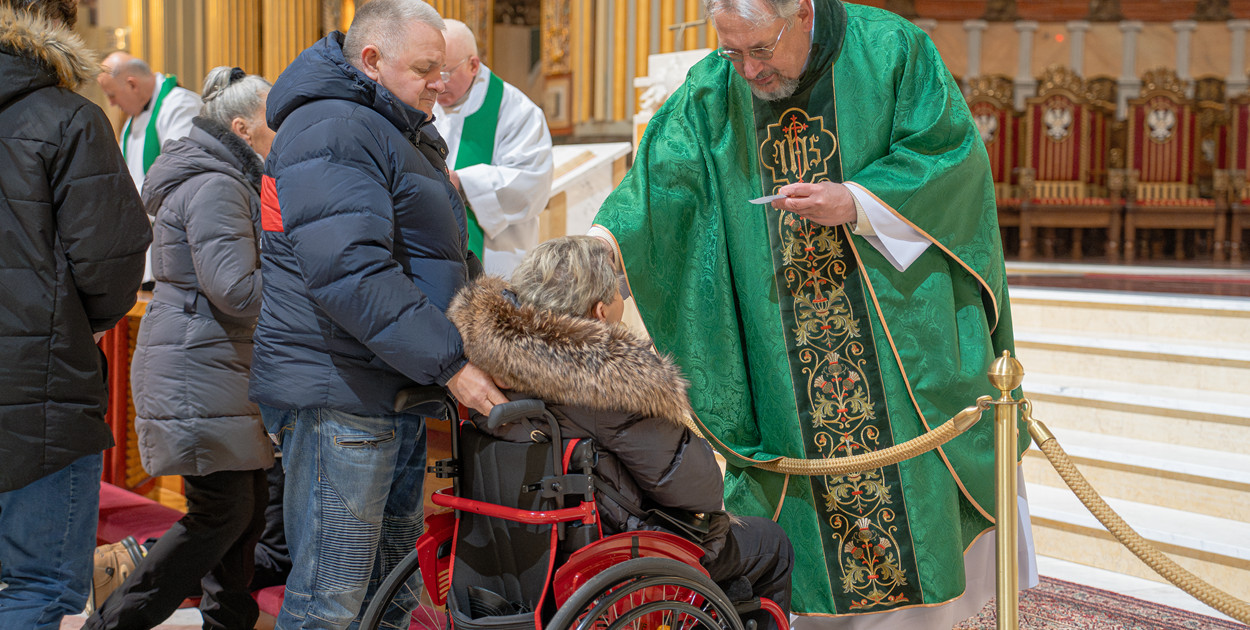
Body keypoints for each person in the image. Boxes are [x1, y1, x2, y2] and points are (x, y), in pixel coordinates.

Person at [591, 0, 1036, 627]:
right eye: (732, 52)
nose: (746, 70)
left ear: (801, 13)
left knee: (917, 534)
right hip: (783, 351)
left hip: (896, 333)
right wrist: (601, 247)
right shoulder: (716, 89)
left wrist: (858, 200)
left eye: (761, 51)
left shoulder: (892, 51)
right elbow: (661, 183)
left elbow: (951, 159)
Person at [250, 1, 506, 627]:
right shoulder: (332, 127)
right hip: (341, 392)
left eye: (442, 69)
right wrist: (450, 364)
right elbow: (351, 272)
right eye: (424, 69)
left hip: (389, 383)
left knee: (389, 594)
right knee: (328, 600)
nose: (438, 84)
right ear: (371, 61)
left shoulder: (387, 123)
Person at [447, 235, 794, 627]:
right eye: (618, 292)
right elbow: (700, 490)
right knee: (771, 544)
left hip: (510, 549)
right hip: (610, 551)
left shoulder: (484, 362)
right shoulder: (610, 380)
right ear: (599, 311)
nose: (622, 300)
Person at [84, 66, 276, 630]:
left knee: (245, 511)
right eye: (273, 124)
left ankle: (226, 620)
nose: (280, 134)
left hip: (212, 361)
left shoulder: (221, 177)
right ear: (242, 128)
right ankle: (113, 623)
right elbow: (237, 290)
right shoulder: (217, 184)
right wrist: (300, 281)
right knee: (221, 514)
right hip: (198, 364)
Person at [0, 1, 150, 628]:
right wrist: (75, 320)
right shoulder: (69, 119)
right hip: (40, 382)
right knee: (34, 585)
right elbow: (111, 259)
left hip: (38, 373)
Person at [432, 19, 553, 277]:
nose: (438, 84)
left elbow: (532, 184)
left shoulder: (518, 112)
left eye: (445, 73)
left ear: (473, 65)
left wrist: (462, 182)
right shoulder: (423, 103)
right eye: (429, 71)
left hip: (499, 258)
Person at [98, 51, 202, 193]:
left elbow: (176, 173)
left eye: (112, 95)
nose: (111, 103)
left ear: (132, 85)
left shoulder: (181, 106)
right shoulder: (131, 121)